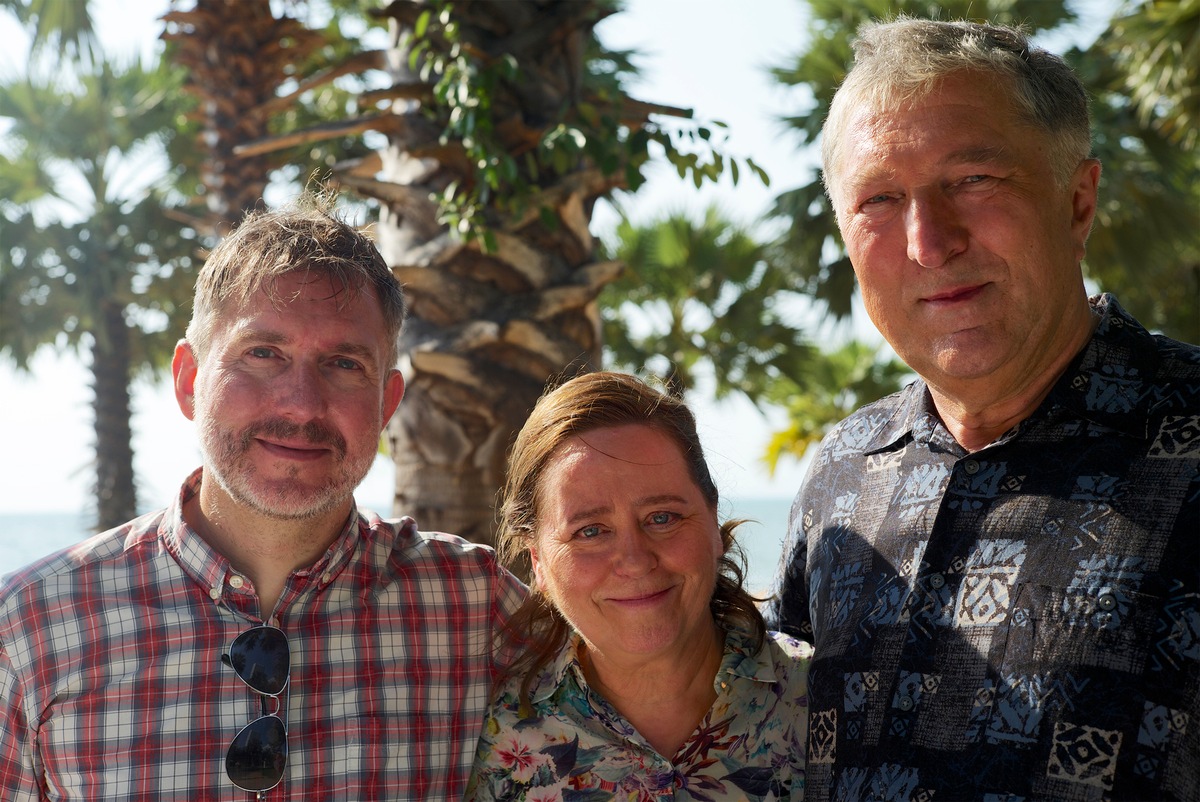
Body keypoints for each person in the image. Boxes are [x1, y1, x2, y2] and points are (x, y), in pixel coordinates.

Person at [764, 16, 1200, 802]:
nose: (929, 241)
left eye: (974, 180)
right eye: (880, 200)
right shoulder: (842, 471)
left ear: (1077, 201)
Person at [0, 198, 526, 800]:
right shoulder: (28, 631)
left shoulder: (482, 608)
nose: (301, 403)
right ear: (189, 380)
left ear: (386, 403)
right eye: (263, 353)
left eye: (345, 363)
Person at [466, 370, 812, 801]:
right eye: (590, 531)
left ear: (713, 523)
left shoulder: (819, 693)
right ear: (537, 561)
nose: (634, 560)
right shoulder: (484, 735)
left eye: (662, 517)